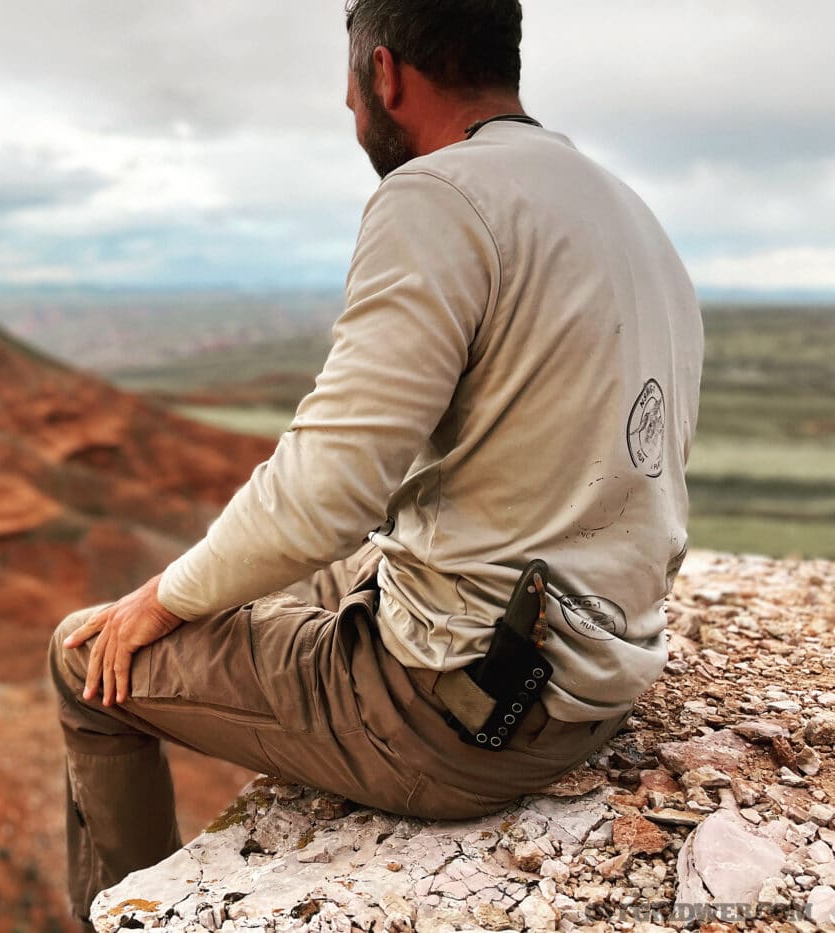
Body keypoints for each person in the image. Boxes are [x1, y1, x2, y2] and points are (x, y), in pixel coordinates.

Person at [48, 0, 704, 924]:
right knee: (278, 581)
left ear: (384, 75)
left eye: (352, 87)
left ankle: (118, 914)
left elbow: (330, 488)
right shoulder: (621, 207)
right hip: (594, 666)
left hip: (465, 718)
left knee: (86, 657)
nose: (350, 109)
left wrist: (158, 599)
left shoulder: (437, 196)